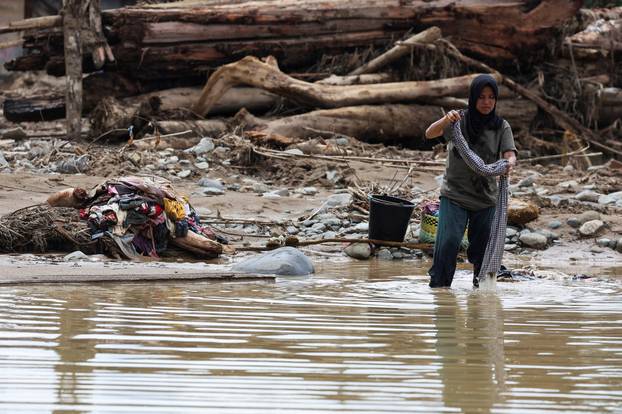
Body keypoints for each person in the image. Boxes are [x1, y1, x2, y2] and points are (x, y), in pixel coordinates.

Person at [424, 74, 517, 288]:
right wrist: (446, 119)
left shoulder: (501, 126)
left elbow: (509, 153)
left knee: (483, 250)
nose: (486, 102)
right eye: (481, 97)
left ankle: (480, 293)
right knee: (448, 244)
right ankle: (440, 291)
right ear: (473, 97)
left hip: (485, 199)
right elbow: (430, 133)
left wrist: (509, 163)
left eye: (491, 97)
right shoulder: (458, 121)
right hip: (454, 195)